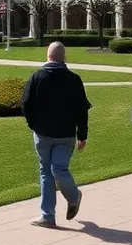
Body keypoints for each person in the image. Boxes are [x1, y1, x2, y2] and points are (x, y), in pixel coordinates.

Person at [21, 42, 90, 227]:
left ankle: (61, 205)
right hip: (65, 133)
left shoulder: (37, 77)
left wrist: (33, 124)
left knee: (48, 171)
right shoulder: (74, 79)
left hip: (43, 132)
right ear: (64, 57)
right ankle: (54, 210)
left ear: (48, 56)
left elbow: (26, 104)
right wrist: (82, 134)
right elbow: (82, 109)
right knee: (57, 169)